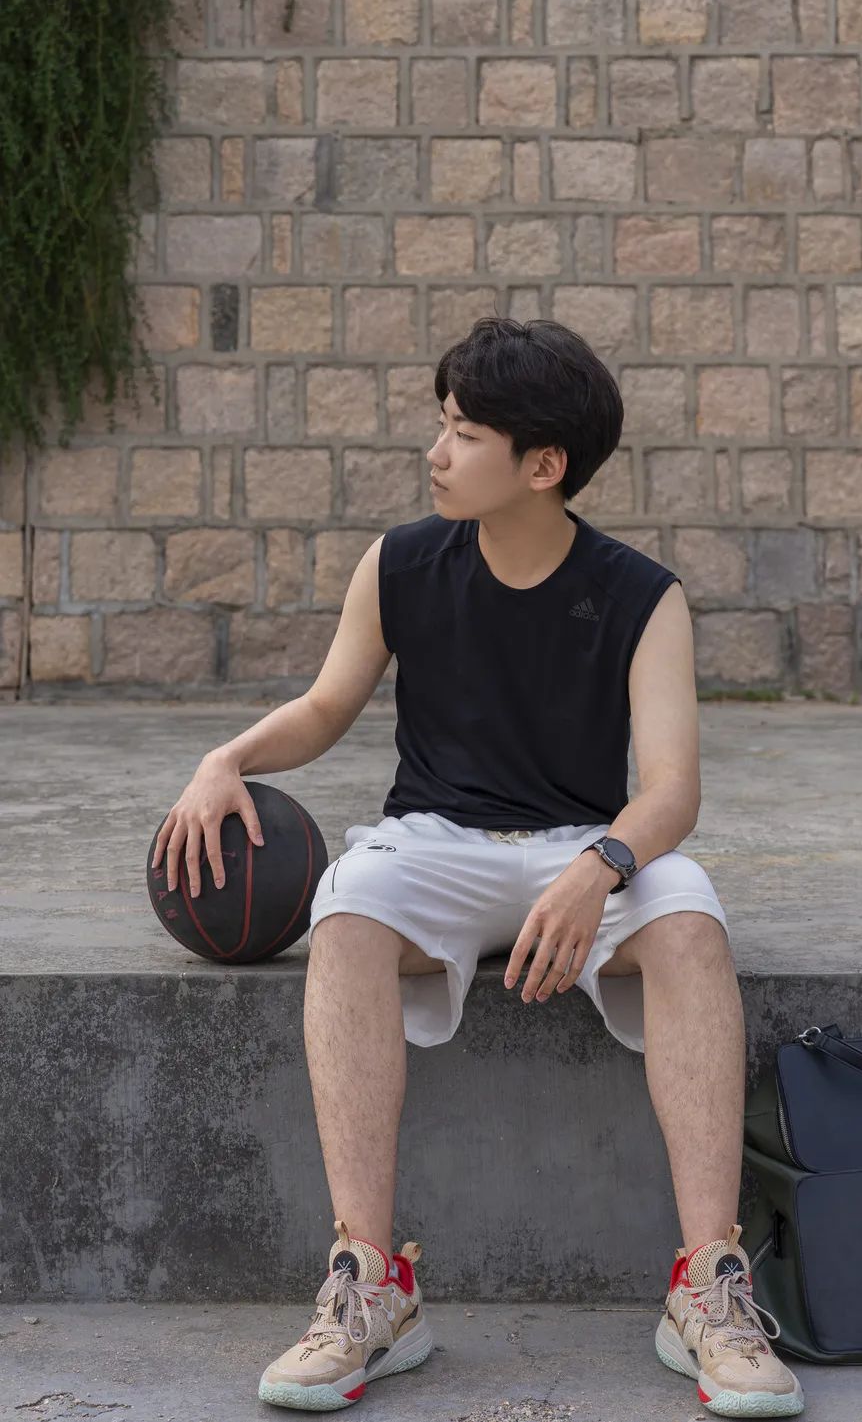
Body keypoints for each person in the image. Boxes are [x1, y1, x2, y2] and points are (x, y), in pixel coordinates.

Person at [151, 317, 804, 1417]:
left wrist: (601, 864)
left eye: (463, 432)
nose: (436, 451)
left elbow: (671, 790)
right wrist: (227, 759)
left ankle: (709, 1285)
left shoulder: (642, 594)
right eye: (442, 424)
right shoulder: (400, 562)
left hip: (584, 848)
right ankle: (371, 1284)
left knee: (691, 919)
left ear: (542, 464)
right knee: (348, 906)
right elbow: (326, 705)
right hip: (436, 844)